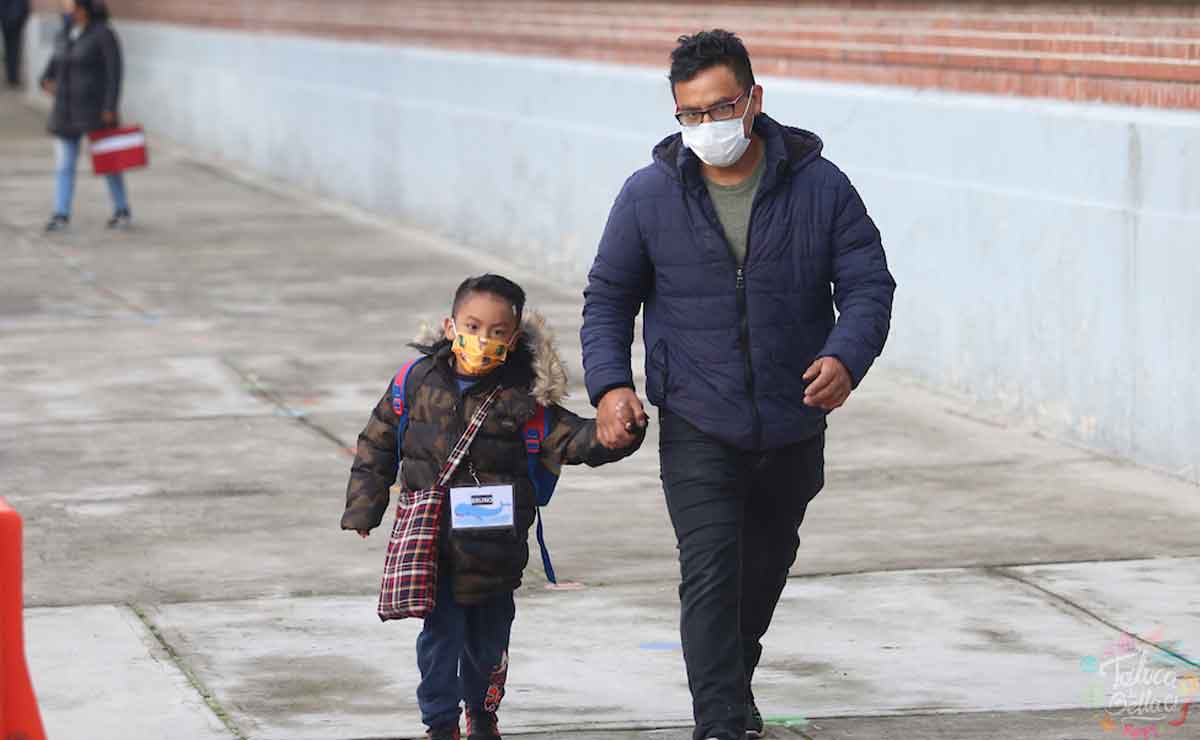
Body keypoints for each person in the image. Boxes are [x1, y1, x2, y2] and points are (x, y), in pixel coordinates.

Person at [582, 29, 896, 740]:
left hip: (794, 416)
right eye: (688, 115)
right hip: (697, 416)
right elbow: (608, 297)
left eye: (718, 109)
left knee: (764, 570)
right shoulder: (649, 195)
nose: (705, 127)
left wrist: (846, 356)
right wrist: (610, 386)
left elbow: (869, 285)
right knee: (712, 572)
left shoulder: (821, 186)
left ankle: (733, 689)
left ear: (754, 100)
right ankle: (720, 722)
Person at [342, 274, 644, 740]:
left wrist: (613, 436)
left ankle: (482, 715)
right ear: (450, 326)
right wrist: (365, 506)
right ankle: (440, 723)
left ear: (514, 339)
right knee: (438, 642)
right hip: (435, 549)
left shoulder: (525, 399)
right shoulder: (416, 383)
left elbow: (574, 438)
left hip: (497, 552)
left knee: (488, 647)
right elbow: (377, 442)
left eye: (497, 332)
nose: (483, 340)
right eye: (473, 326)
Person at [39, 0, 131, 232]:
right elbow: (53, 66)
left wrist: (110, 106)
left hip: (95, 110)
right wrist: (45, 81)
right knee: (64, 165)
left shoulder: (104, 35)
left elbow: (114, 74)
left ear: (83, 8)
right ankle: (61, 214)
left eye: (69, 5)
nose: (65, 9)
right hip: (65, 110)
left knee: (109, 162)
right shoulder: (65, 33)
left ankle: (121, 209)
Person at [0, 0, 29, 88]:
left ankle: (12, 77)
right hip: (14, 21)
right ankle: (12, 77)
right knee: (13, 50)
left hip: (11, 21)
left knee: (11, 50)